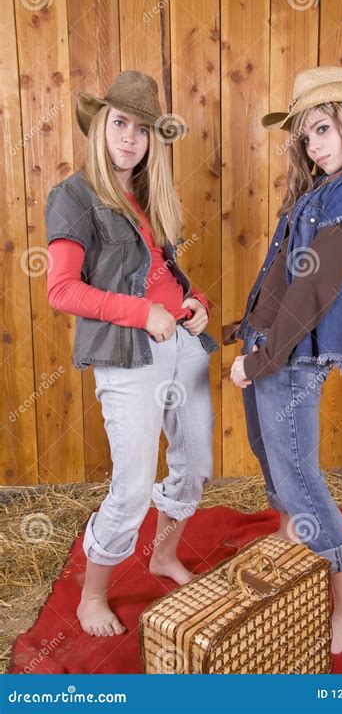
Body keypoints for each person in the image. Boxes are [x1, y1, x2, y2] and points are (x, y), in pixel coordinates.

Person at [225, 66, 342, 654]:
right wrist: (244, 331)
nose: (312, 144)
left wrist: (267, 356)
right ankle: (291, 539)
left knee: (298, 473)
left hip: (296, 354)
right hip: (273, 343)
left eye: (322, 129)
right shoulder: (320, 189)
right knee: (270, 454)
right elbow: (283, 276)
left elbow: (317, 284)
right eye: (305, 135)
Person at [45, 71, 218, 637]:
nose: (129, 139)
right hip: (128, 355)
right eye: (120, 123)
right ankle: (92, 596)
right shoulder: (73, 197)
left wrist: (196, 301)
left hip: (182, 346)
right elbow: (62, 290)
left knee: (194, 467)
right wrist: (145, 314)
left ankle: (164, 556)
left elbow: (162, 274)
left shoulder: (146, 196)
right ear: (99, 126)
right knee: (134, 485)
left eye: (142, 130)